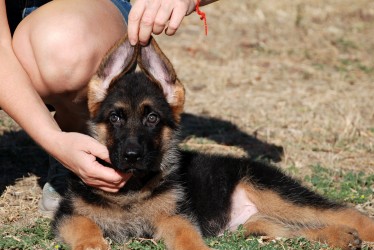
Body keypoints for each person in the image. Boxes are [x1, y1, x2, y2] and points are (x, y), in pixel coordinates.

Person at [0, 0, 217, 215]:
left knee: (64, 46)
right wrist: (54, 141)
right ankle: (66, 148)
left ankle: (77, 133)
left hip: (79, 19)